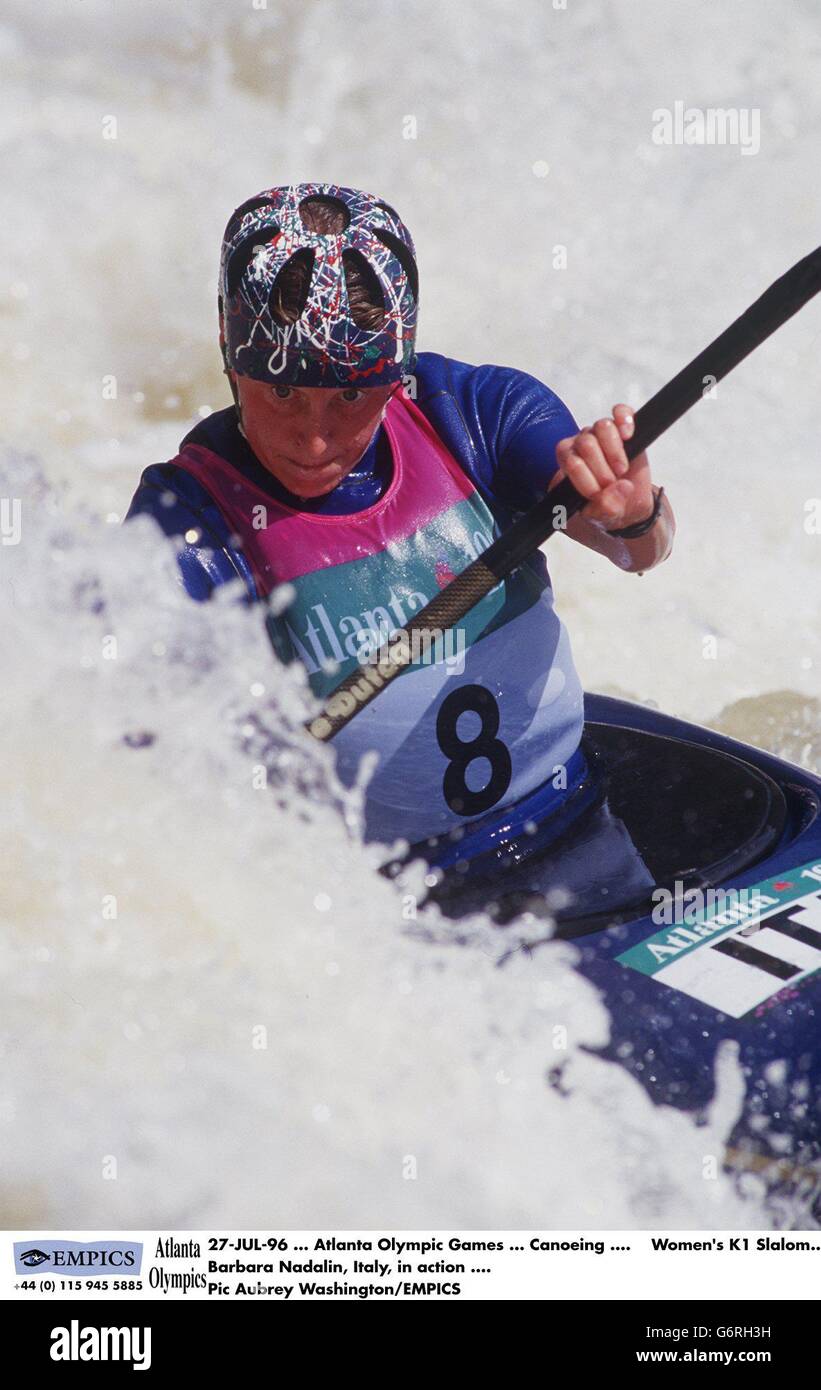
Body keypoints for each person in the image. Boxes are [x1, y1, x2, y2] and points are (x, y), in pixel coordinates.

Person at [126, 182, 675, 917]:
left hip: (573, 828)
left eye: (350, 395)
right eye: (282, 392)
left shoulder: (474, 416)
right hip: (383, 914)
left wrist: (631, 515)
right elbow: (136, 767)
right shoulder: (187, 525)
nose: (313, 437)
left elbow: (636, 555)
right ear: (229, 348)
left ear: (396, 365)